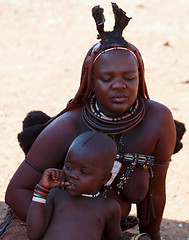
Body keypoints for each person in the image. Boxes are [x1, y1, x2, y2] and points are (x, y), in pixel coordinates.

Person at [4, 3, 178, 240]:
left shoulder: (158, 120)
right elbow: (16, 192)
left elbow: (155, 193)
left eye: (130, 77)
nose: (119, 85)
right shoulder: (68, 126)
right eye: (107, 78)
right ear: (91, 82)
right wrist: (64, 227)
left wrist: (153, 235)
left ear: (140, 77)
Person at [27, 131, 144, 240]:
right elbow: (34, 235)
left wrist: (136, 238)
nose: (72, 175)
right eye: (68, 167)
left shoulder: (109, 207)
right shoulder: (56, 195)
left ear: (105, 178)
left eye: (83, 172)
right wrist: (42, 190)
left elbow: (115, 238)